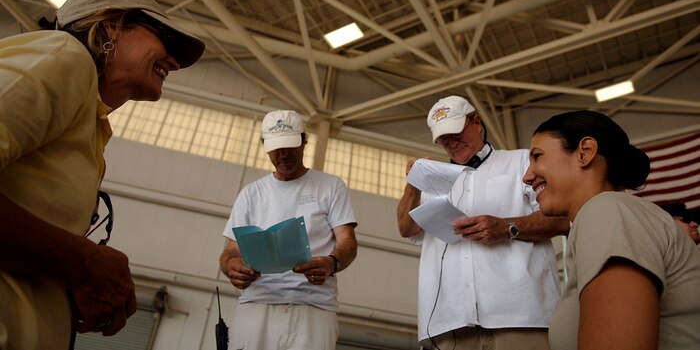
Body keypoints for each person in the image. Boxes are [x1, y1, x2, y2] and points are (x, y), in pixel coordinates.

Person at [0, 0, 205, 350]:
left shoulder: (90, 124)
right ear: (110, 25)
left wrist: (66, 279)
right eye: (164, 40)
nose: (174, 61)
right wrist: (85, 262)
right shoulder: (64, 57)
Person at [397, 95, 570, 350]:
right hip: (449, 324)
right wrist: (413, 185)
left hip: (521, 316)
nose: (452, 144)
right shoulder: (432, 182)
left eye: (456, 133)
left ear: (476, 122)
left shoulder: (522, 162)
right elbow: (405, 228)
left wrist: (507, 227)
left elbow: (562, 219)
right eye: (444, 139)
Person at [523, 109, 700, 350]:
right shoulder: (605, 215)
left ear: (584, 152)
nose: (527, 176)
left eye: (537, 156)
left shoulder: (606, 210)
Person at [220, 110, 358, 350]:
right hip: (256, 303)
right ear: (264, 146)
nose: (283, 155)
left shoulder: (330, 186)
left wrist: (331, 263)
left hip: (314, 307)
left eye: (290, 145)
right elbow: (229, 252)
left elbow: (347, 242)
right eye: (276, 148)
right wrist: (232, 268)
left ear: (305, 141)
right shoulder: (251, 194)